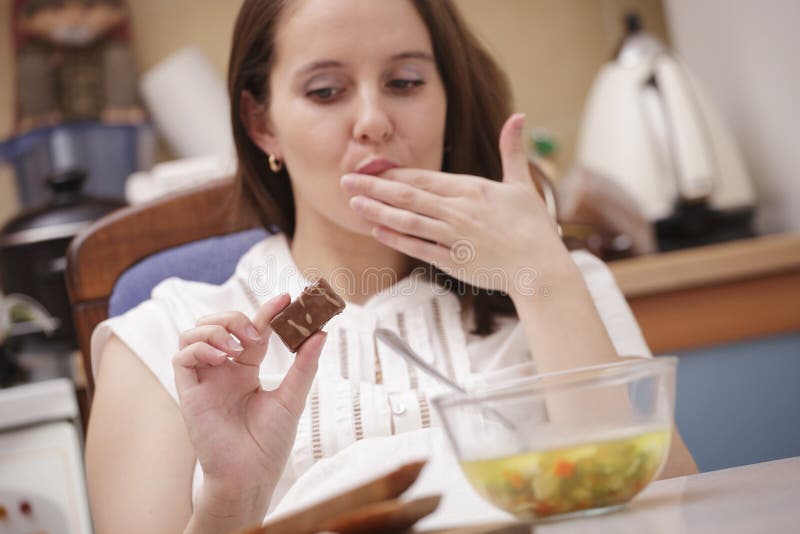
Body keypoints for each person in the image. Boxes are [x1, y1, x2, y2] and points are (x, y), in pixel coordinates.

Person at [85, 0, 698, 532]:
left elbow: (668, 515)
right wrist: (232, 498)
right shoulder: (163, 337)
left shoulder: (562, 283)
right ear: (261, 123)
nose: (374, 122)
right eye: (325, 91)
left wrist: (542, 276)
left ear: (448, 101)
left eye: (405, 82)